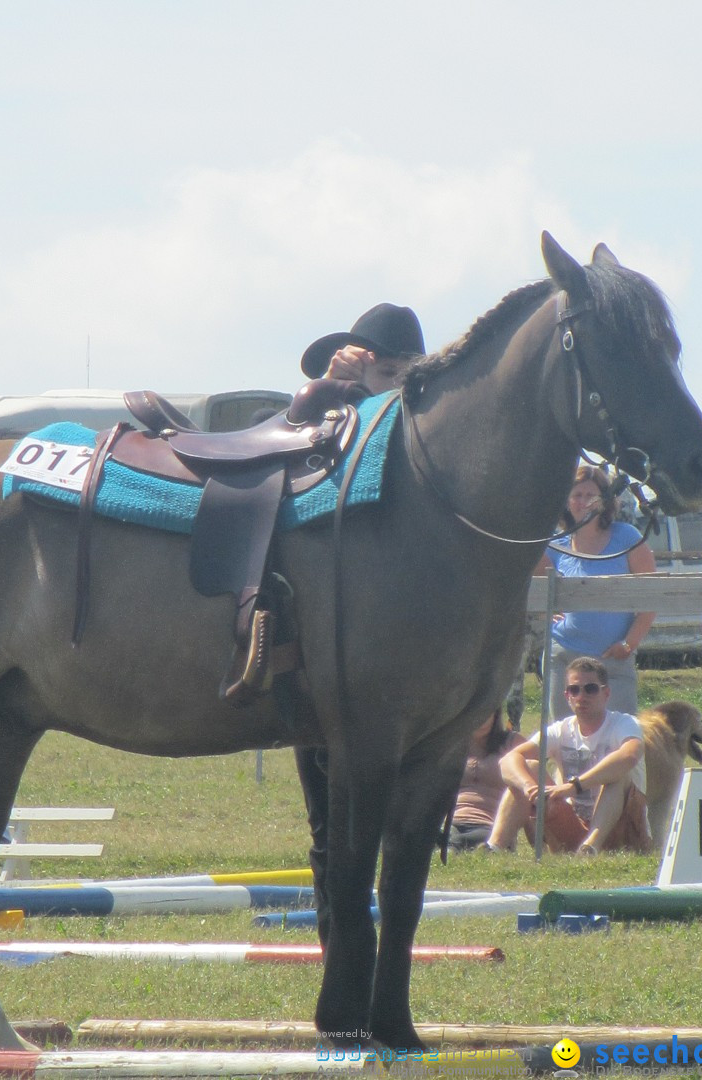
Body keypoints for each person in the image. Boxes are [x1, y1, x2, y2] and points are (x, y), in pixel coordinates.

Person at [294, 302, 426, 940]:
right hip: (329, 635)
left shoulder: (428, 419)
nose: (393, 377)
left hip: (399, 640)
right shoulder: (329, 406)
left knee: (391, 827)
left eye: (402, 368)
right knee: (330, 829)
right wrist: (331, 385)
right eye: (385, 366)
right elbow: (290, 438)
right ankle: (339, 954)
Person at [486, 656, 651, 855]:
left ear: (606, 693)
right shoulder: (560, 730)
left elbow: (629, 756)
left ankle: (591, 848)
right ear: (567, 696)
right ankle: (494, 847)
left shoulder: (625, 724)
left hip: (624, 832)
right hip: (573, 828)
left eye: (590, 689)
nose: (582, 696)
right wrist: (529, 787)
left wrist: (573, 787)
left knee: (619, 776)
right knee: (529, 768)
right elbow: (508, 761)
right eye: (575, 690)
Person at [539, 464, 656, 718]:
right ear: (567, 500)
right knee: (567, 741)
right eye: (577, 495)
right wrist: (544, 614)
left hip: (612, 661)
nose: (583, 502)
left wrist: (629, 643)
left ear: (604, 500)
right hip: (565, 659)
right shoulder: (555, 545)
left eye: (590, 495)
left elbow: (651, 596)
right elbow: (530, 584)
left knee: (620, 741)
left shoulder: (627, 537)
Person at [447, 710, 524, 851]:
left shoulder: (513, 744)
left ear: (496, 714)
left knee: (466, 841)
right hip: (453, 821)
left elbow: (531, 789)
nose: (481, 719)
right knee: (449, 839)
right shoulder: (451, 745)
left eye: (486, 712)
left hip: (489, 824)